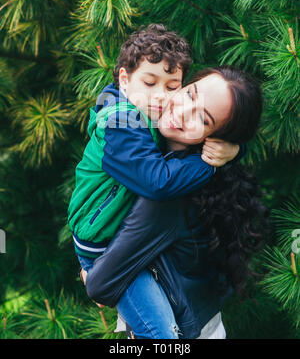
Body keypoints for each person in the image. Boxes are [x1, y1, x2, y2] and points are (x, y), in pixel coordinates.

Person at [84, 66, 268, 339]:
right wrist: (237, 150)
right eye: (190, 94)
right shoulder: (175, 155)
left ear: (215, 139)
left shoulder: (169, 196)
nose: (182, 112)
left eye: (203, 120)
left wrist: (89, 269)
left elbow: (100, 284)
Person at [68, 24, 243, 270]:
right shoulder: (120, 122)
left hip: (128, 239)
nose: (161, 95)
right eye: (150, 83)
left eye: (172, 87)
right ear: (124, 80)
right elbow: (156, 181)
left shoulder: (155, 116)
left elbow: (205, 131)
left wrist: (234, 150)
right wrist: (208, 165)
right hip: (99, 241)